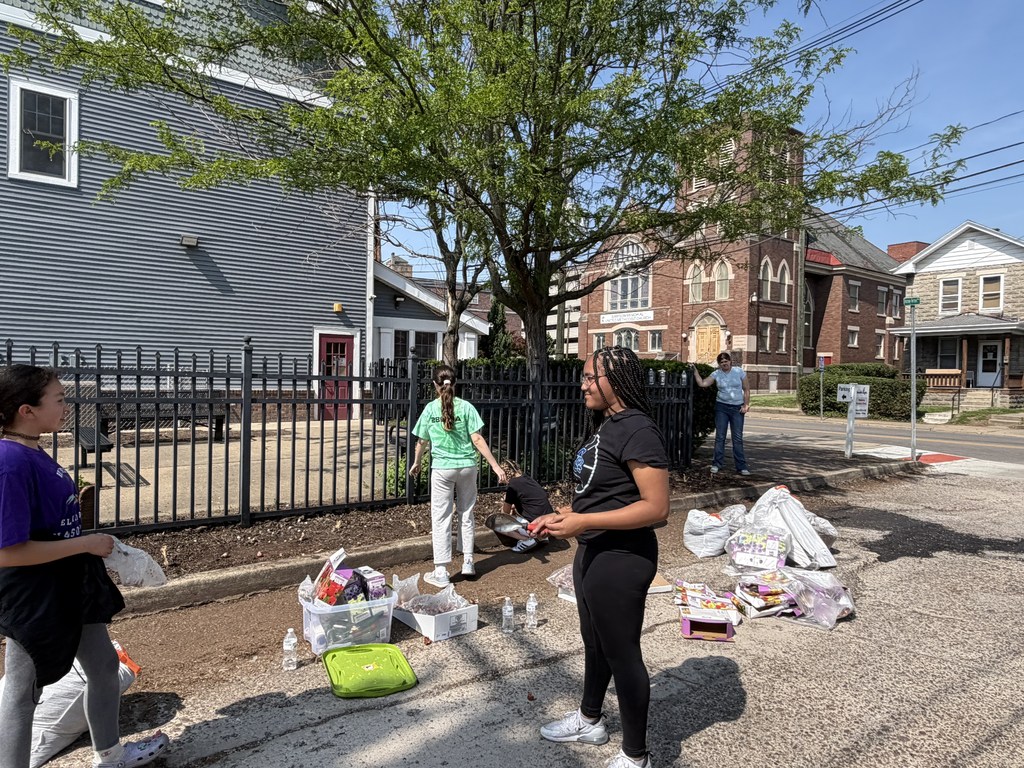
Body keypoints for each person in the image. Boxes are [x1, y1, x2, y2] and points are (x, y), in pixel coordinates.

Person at [0, 364, 170, 768]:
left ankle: (110, 755)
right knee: (23, 693)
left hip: (70, 582)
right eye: (58, 399)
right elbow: (7, 552)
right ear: (26, 410)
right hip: (36, 595)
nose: (66, 406)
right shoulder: (9, 463)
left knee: (104, 665)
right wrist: (87, 542)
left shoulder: (30, 447)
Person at [529, 346, 669, 768]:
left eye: (592, 377)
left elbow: (656, 508)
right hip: (593, 549)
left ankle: (635, 756)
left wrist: (583, 520)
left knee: (622, 653)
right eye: (584, 376)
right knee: (595, 644)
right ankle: (591, 719)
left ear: (618, 382)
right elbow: (606, 492)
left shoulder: (639, 431)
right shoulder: (607, 425)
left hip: (623, 557)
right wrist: (569, 515)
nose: (583, 384)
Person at [410, 365, 507, 588]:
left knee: (441, 517)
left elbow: (421, 442)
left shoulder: (430, 410)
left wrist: (417, 462)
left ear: (435, 385)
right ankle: (468, 562)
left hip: (443, 469)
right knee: (466, 513)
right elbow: (478, 440)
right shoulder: (466, 407)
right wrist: (495, 466)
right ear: (454, 384)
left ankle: (441, 571)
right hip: (467, 467)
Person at [691, 351, 750, 475]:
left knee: (737, 438)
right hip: (722, 407)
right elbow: (703, 383)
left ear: (730, 362)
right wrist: (696, 372)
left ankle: (741, 467)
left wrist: (746, 404)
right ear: (719, 364)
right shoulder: (716, 374)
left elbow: (746, 389)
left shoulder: (739, 372)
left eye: (726, 361)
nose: (724, 364)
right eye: (722, 362)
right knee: (720, 437)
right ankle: (717, 463)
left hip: (737, 408)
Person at [497, 461, 554, 553]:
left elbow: (505, 513)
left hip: (535, 526)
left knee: (499, 522)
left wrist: (505, 505)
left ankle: (527, 540)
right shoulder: (527, 478)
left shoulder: (512, 486)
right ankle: (541, 538)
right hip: (549, 522)